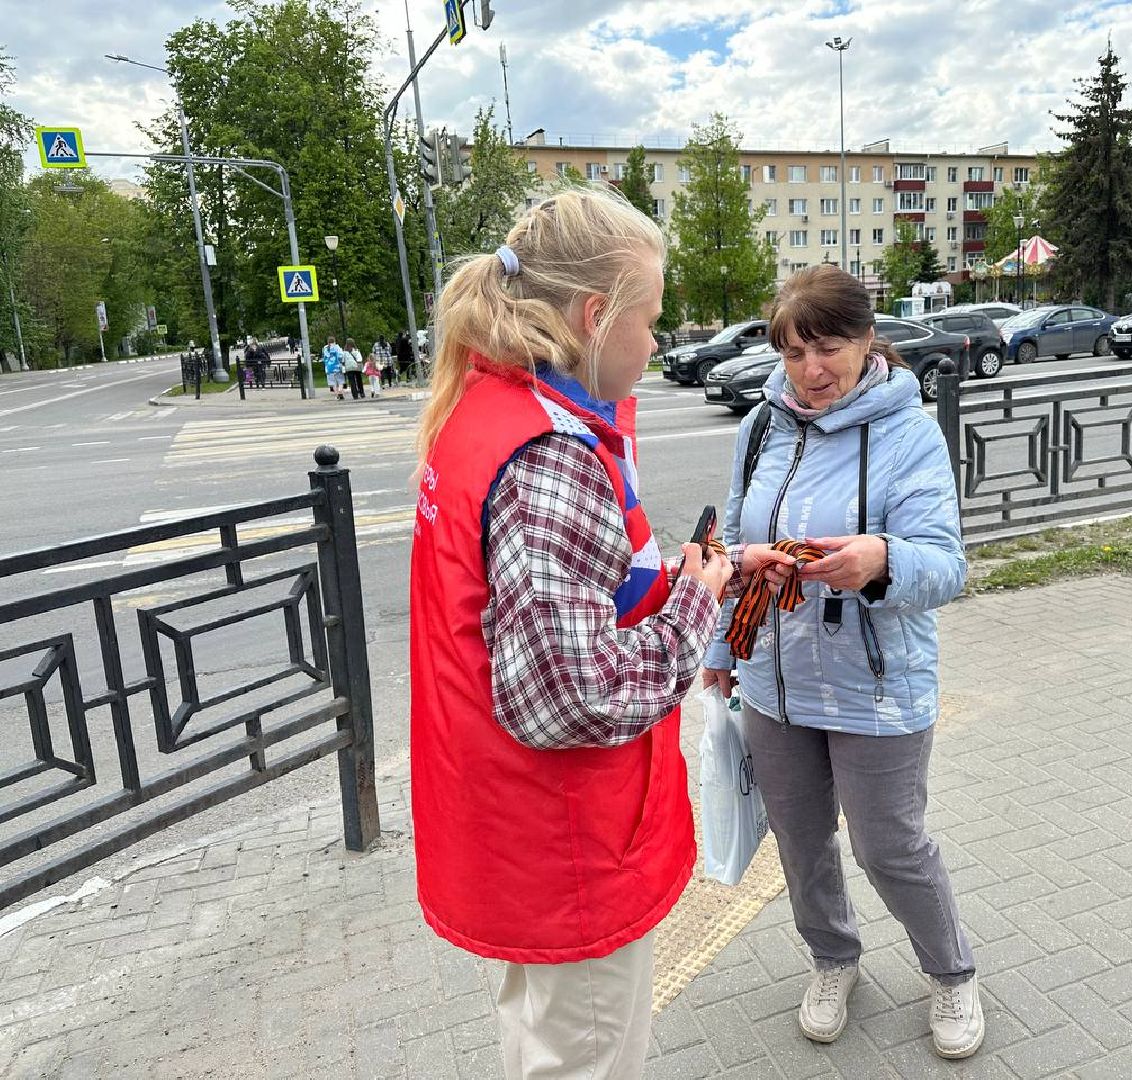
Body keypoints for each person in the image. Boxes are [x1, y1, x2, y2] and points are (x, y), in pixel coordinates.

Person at [408, 187, 794, 1079]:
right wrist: (699, 608)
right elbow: (574, 696)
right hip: (566, 841)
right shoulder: (551, 454)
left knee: (544, 1041)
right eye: (651, 320)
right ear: (595, 315)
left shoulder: (494, 412)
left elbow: (577, 596)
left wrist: (713, 569)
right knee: (582, 1056)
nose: (658, 343)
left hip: (521, 829)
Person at [702, 264, 979, 1060]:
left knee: (889, 845)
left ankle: (951, 973)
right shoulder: (762, 426)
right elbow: (730, 549)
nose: (811, 370)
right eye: (793, 353)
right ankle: (833, 959)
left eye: (826, 347)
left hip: (877, 682)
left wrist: (880, 561)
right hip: (774, 681)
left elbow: (945, 564)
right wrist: (725, 647)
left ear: (865, 339)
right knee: (799, 837)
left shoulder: (908, 430)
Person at [320, 336, 346, 401]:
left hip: (329, 368)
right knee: (340, 381)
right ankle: (340, 391)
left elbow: (324, 358)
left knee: (333, 383)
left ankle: (337, 395)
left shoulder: (325, 348)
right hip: (337, 367)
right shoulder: (337, 347)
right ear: (334, 341)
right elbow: (341, 355)